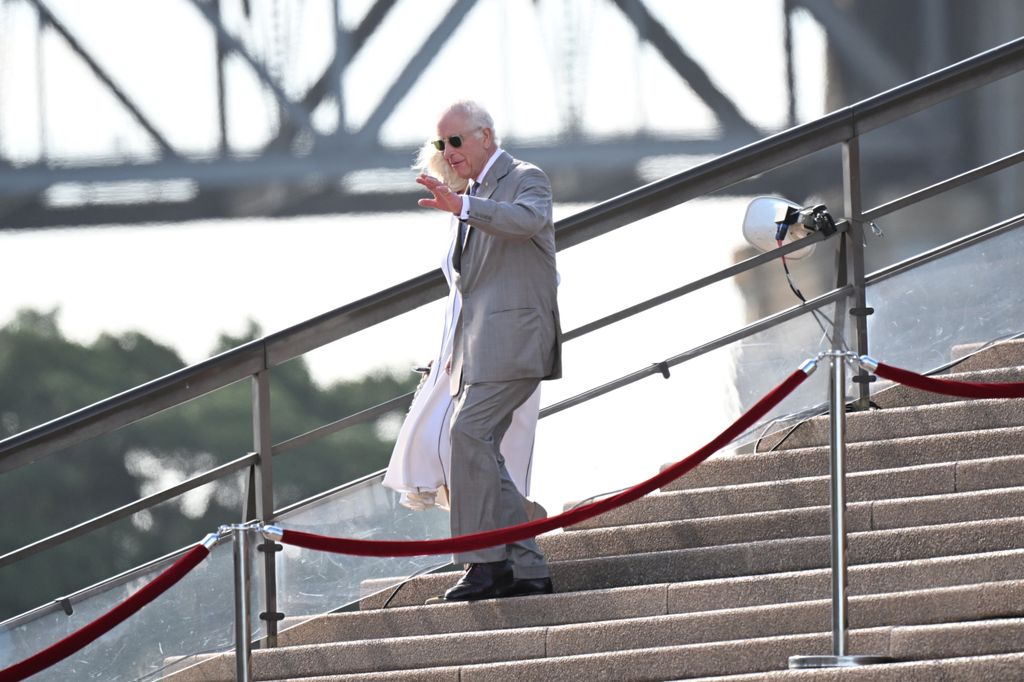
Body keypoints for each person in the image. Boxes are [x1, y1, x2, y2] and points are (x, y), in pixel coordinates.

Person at [415, 100, 562, 602]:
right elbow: (471, 290)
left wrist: (465, 208)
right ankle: (525, 566)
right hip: (480, 350)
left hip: (516, 343)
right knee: (480, 450)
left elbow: (525, 222)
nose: (448, 153)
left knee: (467, 436)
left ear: (485, 136)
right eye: (441, 144)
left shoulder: (526, 177)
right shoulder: (472, 193)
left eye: (455, 141)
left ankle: (486, 564)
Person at [382, 137, 543, 516]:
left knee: (459, 446)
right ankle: (504, 539)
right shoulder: (464, 216)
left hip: (500, 350)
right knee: (444, 450)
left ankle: (515, 530)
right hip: (460, 351)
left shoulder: (511, 195)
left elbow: (536, 272)